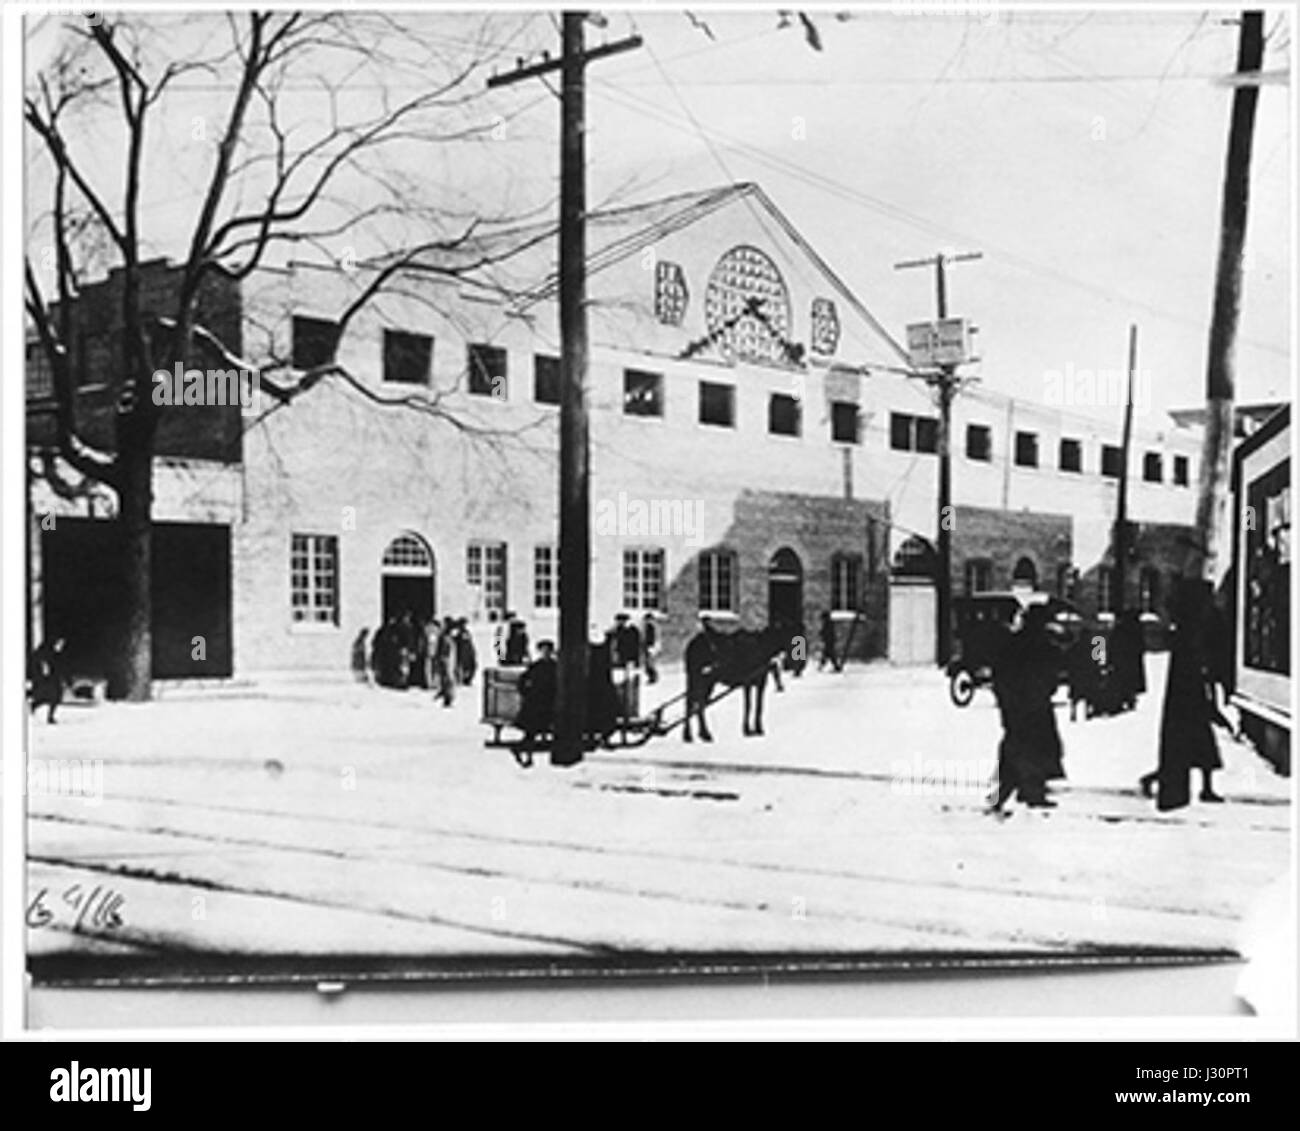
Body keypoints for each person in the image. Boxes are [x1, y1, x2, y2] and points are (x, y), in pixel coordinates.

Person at [1141, 579, 1229, 810]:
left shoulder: (1186, 630)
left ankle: (1170, 780)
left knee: (1194, 747)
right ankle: (1164, 780)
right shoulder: (1098, 638)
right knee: (1195, 746)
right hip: (1190, 699)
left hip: (1189, 698)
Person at [513, 640, 558, 766]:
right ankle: (525, 754)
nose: (546, 653)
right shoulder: (536, 666)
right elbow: (522, 680)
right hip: (535, 703)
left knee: (535, 732)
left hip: (549, 702)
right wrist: (525, 693)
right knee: (531, 732)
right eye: (543, 651)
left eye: (548, 651)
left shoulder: (555, 666)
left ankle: (525, 754)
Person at [1111, 608, 1147, 713]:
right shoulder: (1135, 628)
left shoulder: (1120, 629)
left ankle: (1124, 698)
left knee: (1123, 679)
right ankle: (1130, 698)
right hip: (1132, 659)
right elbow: (1141, 644)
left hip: (1123, 658)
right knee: (1130, 680)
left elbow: (1112, 644)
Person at [29, 636, 68, 724]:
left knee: (56, 697)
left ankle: (49, 716)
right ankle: (36, 705)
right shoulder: (48, 653)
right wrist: (44, 669)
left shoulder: (59, 654)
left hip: (55, 678)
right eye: (59, 644)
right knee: (49, 696)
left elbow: (62, 667)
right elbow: (41, 662)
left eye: (62, 644)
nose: (60, 646)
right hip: (48, 678)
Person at [454, 618, 477, 686]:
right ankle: (464, 680)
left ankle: (467, 679)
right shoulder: (459, 633)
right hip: (463, 653)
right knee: (465, 667)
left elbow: (469, 643)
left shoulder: (465, 632)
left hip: (468, 652)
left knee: (471, 666)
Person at [641, 612, 660, 685]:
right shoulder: (653, 626)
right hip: (650, 646)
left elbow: (651, 637)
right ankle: (652, 677)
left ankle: (653, 678)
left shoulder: (650, 626)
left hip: (650, 646)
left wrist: (650, 646)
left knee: (649, 663)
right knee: (649, 663)